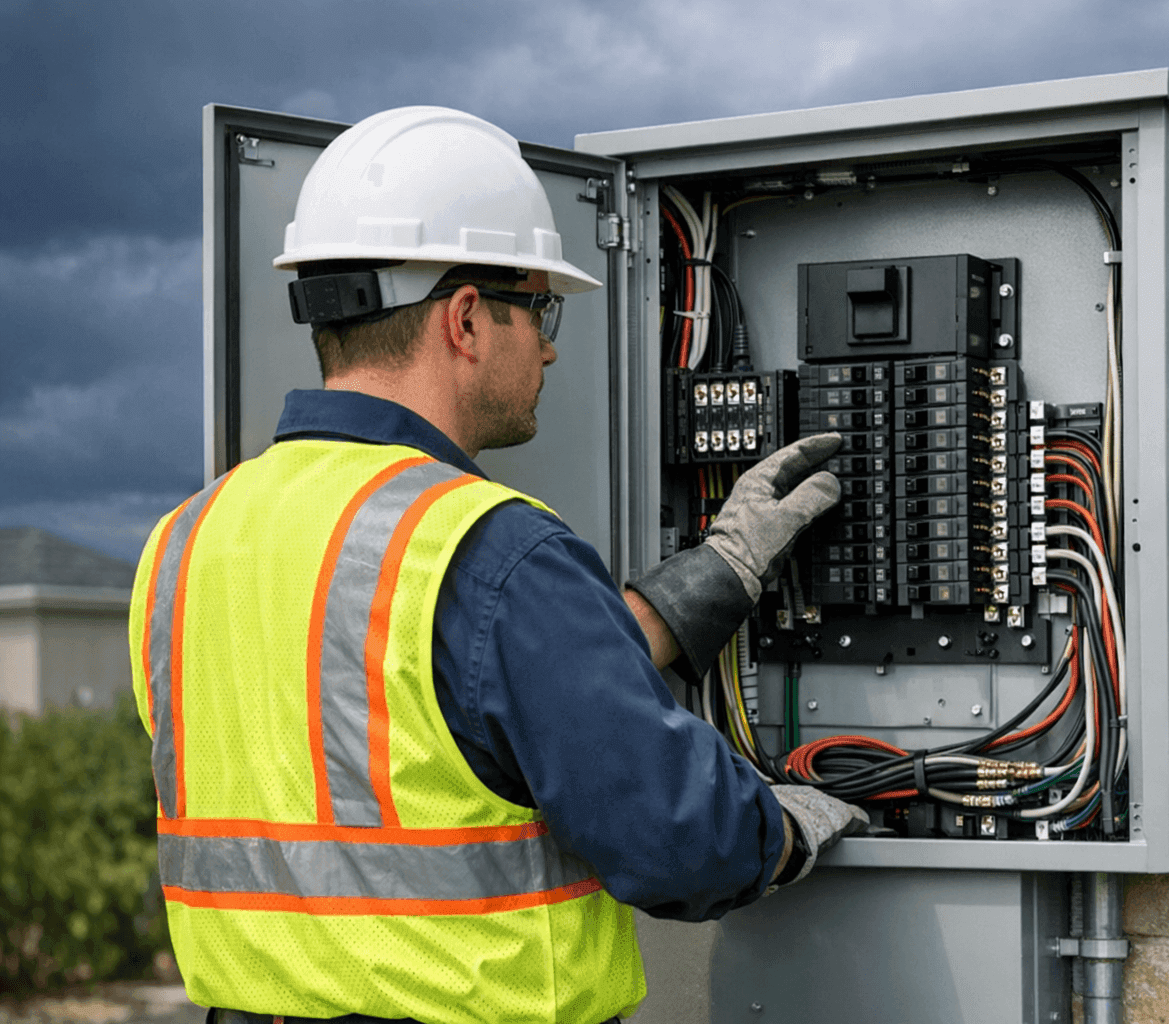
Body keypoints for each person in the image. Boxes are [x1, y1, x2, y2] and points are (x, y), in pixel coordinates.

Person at [129, 106, 866, 1024]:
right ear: (468, 319)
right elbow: (683, 840)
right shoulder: (486, 545)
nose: (550, 345)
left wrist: (718, 569)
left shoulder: (185, 542)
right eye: (540, 309)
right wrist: (783, 831)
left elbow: (419, 709)